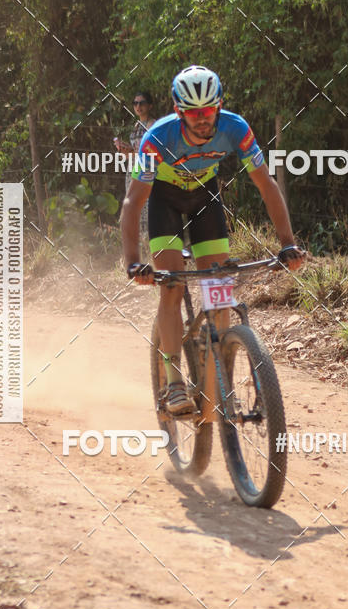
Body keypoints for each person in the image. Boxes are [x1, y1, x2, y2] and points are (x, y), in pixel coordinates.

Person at [120, 65, 304, 415]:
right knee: (172, 286)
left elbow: (266, 185)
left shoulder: (236, 128)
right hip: (165, 200)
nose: (203, 119)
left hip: (205, 197)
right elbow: (133, 202)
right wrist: (132, 262)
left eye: (208, 111)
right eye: (194, 113)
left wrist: (287, 243)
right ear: (179, 112)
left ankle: (219, 379)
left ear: (219, 106)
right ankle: (174, 381)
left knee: (218, 286)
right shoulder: (156, 138)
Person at [114, 92, 156, 235]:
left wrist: (131, 152)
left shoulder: (152, 125)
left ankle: (149, 241)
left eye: (142, 103)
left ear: (150, 105)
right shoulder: (137, 125)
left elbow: (150, 152)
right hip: (133, 170)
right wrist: (125, 149)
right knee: (134, 206)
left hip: (146, 171)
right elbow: (135, 149)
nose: (138, 106)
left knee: (147, 208)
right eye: (135, 103)